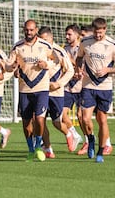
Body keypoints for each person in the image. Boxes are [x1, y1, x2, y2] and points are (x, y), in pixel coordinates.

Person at [75, 17, 115, 163]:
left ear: (105, 30)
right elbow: (79, 58)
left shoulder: (113, 45)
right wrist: (79, 69)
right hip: (88, 86)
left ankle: (101, 151)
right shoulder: (85, 42)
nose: (98, 35)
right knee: (84, 118)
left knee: (102, 120)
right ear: (93, 30)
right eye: (96, 32)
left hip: (105, 87)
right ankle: (90, 138)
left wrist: (108, 69)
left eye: (101, 32)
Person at [5, 19, 54, 162]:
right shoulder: (18, 47)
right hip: (24, 89)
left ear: (36, 30)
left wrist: (46, 64)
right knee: (26, 123)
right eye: (26, 30)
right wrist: (12, 66)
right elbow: (8, 66)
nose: (29, 32)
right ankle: (31, 149)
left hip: (42, 88)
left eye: (31, 30)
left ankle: (39, 146)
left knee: (39, 119)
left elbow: (54, 60)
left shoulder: (45, 45)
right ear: (23, 30)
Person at [38, 26, 81, 158]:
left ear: (51, 39)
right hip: (40, 91)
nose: (42, 42)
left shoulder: (59, 51)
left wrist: (58, 84)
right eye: (40, 39)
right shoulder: (37, 50)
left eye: (44, 39)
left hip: (56, 92)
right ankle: (48, 149)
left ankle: (69, 134)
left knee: (57, 122)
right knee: (40, 121)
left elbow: (70, 71)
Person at [63, 24, 88, 155]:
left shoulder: (82, 48)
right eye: (66, 34)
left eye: (69, 34)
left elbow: (84, 66)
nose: (67, 36)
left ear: (77, 35)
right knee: (62, 115)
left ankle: (88, 141)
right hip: (68, 86)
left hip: (82, 86)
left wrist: (78, 69)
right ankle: (74, 134)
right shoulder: (64, 48)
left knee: (81, 116)